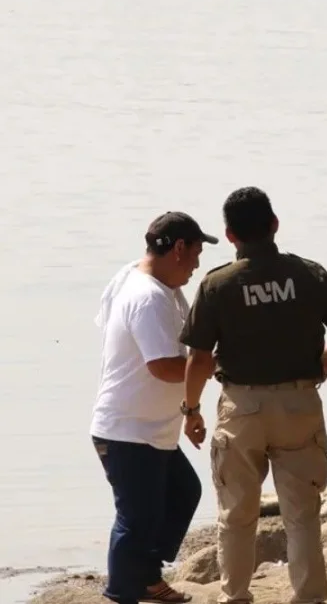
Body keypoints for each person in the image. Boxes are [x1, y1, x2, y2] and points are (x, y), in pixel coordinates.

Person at [179, 187, 327, 604]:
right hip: (299, 405)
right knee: (302, 515)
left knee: (236, 514)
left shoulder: (218, 284)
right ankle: (308, 597)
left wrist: (191, 410)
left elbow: (199, 359)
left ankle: (236, 596)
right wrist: (326, 358)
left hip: (242, 408)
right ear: (275, 224)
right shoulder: (307, 274)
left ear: (229, 235)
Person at [90, 212, 217, 604]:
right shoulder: (147, 297)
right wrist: (215, 366)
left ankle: (145, 575)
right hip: (127, 429)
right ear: (178, 248)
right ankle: (122, 592)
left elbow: (178, 353)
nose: (197, 264)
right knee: (135, 518)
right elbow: (163, 366)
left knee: (183, 492)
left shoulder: (157, 285)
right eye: (195, 253)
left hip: (153, 428)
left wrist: (190, 410)